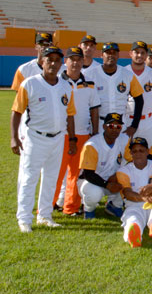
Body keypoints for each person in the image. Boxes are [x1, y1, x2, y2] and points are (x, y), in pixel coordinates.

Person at [11, 46, 76, 232]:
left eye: (57, 60)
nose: (54, 64)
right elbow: (16, 112)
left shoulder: (65, 85)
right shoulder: (30, 84)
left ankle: (45, 215)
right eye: (50, 60)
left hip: (57, 138)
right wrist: (14, 138)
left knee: (51, 178)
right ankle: (24, 218)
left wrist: (71, 139)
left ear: (61, 63)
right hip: (35, 137)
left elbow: (70, 114)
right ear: (43, 61)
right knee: (29, 178)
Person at [54, 47, 101, 216]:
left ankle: (71, 207)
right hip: (60, 134)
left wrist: (95, 132)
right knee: (55, 173)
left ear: (83, 62)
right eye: (72, 59)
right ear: (65, 61)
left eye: (78, 59)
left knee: (76, 173)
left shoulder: (89, 83)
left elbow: (95, 108)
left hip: (82, 133)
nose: (75, 63)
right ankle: (47, 206)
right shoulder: (56, 81)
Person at [77, 113, 130, 219]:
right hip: (92, 181)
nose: (115, 129)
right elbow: (88, 174)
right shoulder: (92, 145)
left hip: (112, 178)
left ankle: (115, 206)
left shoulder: (124, 139)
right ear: (104, 126)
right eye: (111, 126)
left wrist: (118, 175)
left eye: (118, 126)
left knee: (130, 178)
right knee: (94, 194)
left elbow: (133, 161)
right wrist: (106, 185)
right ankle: (88, 210)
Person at [89, 42, 144, 135]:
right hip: (99, 124)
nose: (111, 55)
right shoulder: (90, 74)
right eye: (108, 53)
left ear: (118, 55)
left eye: (114, 53)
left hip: (121, 124)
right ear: (102, 55)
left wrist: (134, 126)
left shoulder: (128, 75)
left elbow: (139, 100)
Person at [124, 41, 152, 141]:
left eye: (142, 53)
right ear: (130, 53)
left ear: (146, 55)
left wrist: (147, 110)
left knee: (148, 152)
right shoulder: (123, 72)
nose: (139, 55)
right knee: (125, 152)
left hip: (147, 121)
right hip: (126, 119)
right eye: (136, 52)